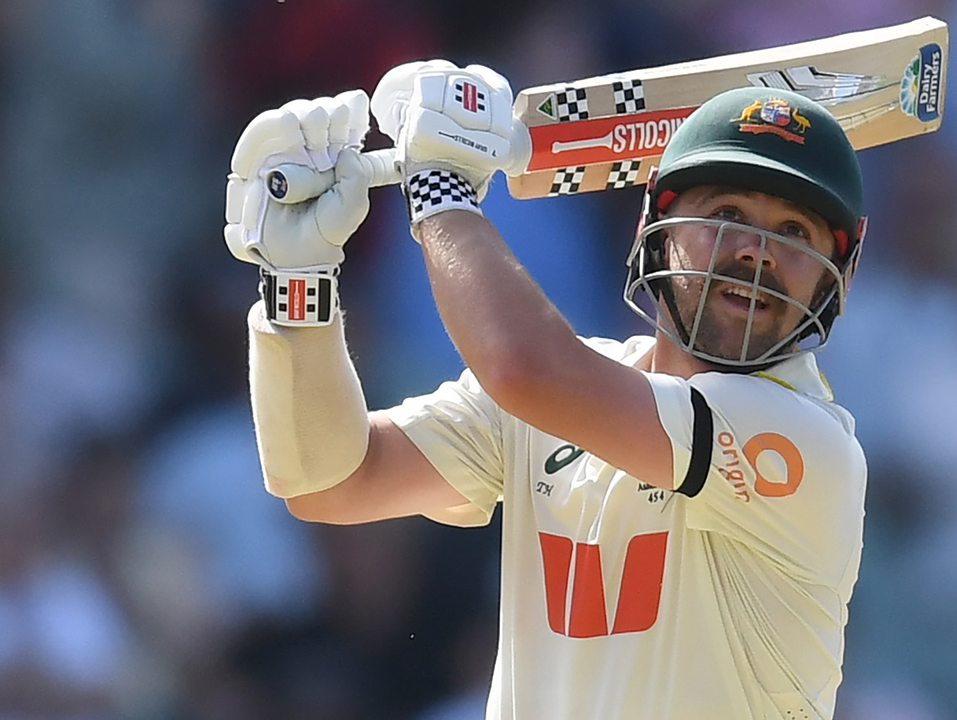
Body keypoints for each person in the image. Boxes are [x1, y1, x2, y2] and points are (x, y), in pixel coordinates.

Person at [223, 60, 870, 720]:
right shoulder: (562, 392)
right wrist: (298, 284)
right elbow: (332, 480)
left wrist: (440, 190)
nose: (757, 251)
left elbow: (524, 370)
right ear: (655, 224)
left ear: (837, 274)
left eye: (794, 231)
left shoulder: (804, 444)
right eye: (727, 213)